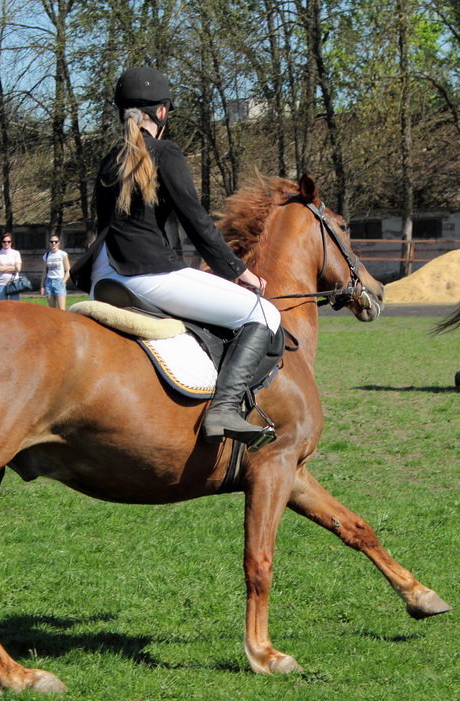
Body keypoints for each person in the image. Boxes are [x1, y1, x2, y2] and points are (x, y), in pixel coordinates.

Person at [69, 66, 281, 448]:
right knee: (264, 313)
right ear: (162, 112)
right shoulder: (164, 152)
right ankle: (224, 409)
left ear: (123, 114)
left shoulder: (110, 158)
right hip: (146, 273)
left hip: (104, 275)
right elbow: (195, 219)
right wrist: (238, 271)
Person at [41, 234, 70, 310]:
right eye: (51, 241)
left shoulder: (63, 254)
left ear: (58, 243)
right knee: (52, 310)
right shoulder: (46, 255)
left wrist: (63, 281)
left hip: (59, 281)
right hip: (49, 282)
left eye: (55, 241)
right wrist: (42, 286)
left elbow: (68, 270)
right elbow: (44, 271)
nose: (53, 243)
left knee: (61, 309)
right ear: (49, 243)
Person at [0, 233, 22, 300]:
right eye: (4, 241)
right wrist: (12, 267)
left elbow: (18, 268)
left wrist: (2, 267)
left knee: (14, 306)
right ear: (1, 242)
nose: (6, 243)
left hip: (14, 283)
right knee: (3, 306)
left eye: (9, 241)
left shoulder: (16, 253)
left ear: (11, 242)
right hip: (1, 283)